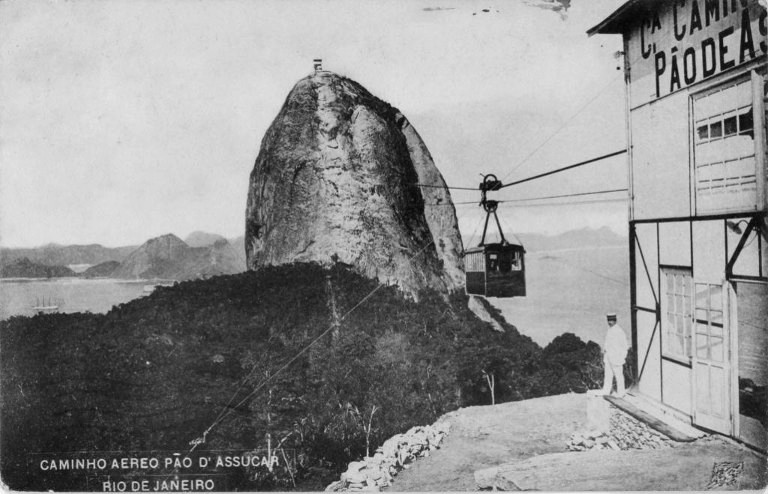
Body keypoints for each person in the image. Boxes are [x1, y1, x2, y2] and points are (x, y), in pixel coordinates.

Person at [598, 313, 629, 397]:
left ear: (615, 320)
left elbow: (625, 346)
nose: (610, 322)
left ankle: (621, 393)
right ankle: (606, 391)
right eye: (608, 320)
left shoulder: (619, 331)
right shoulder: (609, 330)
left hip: (616, 358)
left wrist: (622, 357)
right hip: (608, 357)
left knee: (619, 375)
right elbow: (607, 344)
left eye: (611, 320)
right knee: (608, 375)